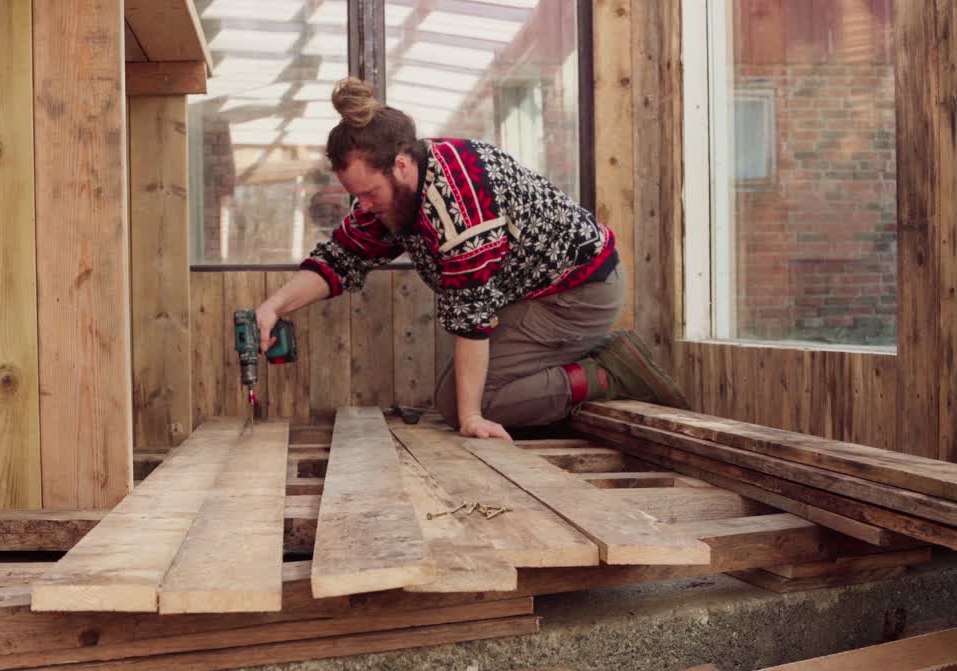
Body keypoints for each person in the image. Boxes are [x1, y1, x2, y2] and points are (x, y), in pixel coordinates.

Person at [254, 78, 687, 440]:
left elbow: (473, 322)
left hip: (580, 293)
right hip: (531, 292)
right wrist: (274, 306)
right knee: (462, 398)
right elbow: (342, 257)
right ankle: (576, 362)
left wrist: (472, 419)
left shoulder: (460, 210)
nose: (362, 205)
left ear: (401, 165)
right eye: (356, 195)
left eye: (369, 193)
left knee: (467, 404)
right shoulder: (398, 192)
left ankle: (611, 372)